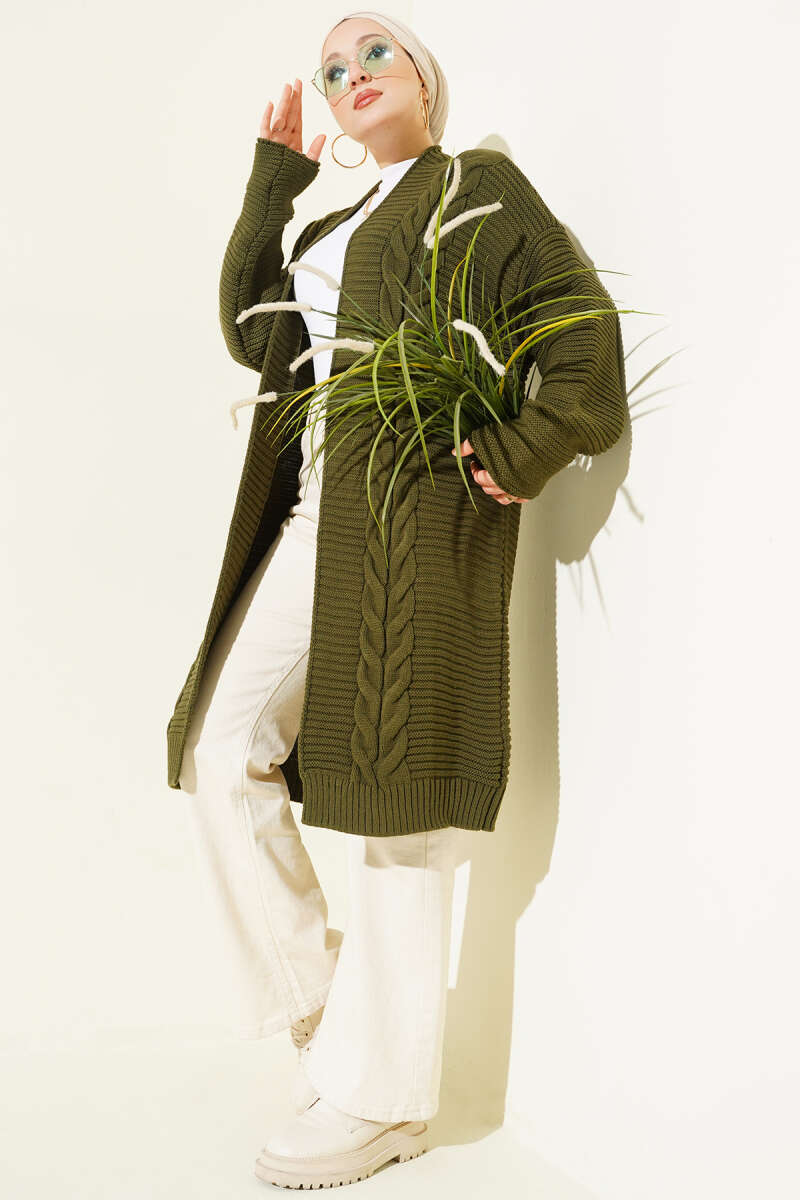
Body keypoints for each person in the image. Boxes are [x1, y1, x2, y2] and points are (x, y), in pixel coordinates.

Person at [168, 8, 628, 1190]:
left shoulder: (474, 187)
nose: (351, 72)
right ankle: (329, 1010)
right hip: (313, 519)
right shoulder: (335, 220)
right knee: (221, 747)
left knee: (396, 807)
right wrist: (273, 182)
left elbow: (579, 335)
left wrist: (520, 451)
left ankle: (384, 1105)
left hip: (414, 521)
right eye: (332, 68)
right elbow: (251, 332)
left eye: (375, 52)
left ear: (424, 78)